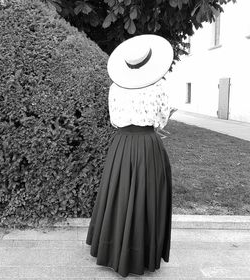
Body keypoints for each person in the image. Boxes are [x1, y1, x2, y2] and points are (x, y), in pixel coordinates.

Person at [86, 34, 173, 277]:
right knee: (146, 195)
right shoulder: (159, 85)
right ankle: (141, 254)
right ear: (150, 62)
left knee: (118, 195)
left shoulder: (116, 87)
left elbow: (114, 119)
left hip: (121, 144)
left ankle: (112, 251)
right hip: (148, 144)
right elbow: (161, 119)